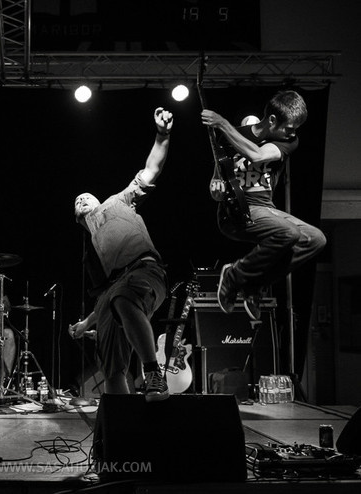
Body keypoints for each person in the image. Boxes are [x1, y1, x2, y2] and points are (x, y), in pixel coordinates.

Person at [68, 107, 173, 402]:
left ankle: (154, 374)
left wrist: (162, 135)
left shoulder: (118, 201)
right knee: (111, 367)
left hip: (144, 271)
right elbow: (104, 298)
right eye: (77, 201)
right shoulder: (92, 255)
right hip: (117, 292)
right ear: (77, 218)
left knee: (124, 296)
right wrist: (85, 324)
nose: (83, 198)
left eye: (86, 196)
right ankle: (122, 432)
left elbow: (152, 169)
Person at [202, 90, 326, 320]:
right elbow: (216, 181)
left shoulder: (288, 141)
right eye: (289, 127)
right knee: (288, 232)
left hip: (265, 208)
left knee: (315, 239)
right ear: (271, 120)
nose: (293, 133)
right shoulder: (228, 138)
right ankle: (234, 276)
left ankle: (252, 284)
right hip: (236, 212)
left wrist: (221, 123)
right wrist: (216, 190)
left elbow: (257, 155)